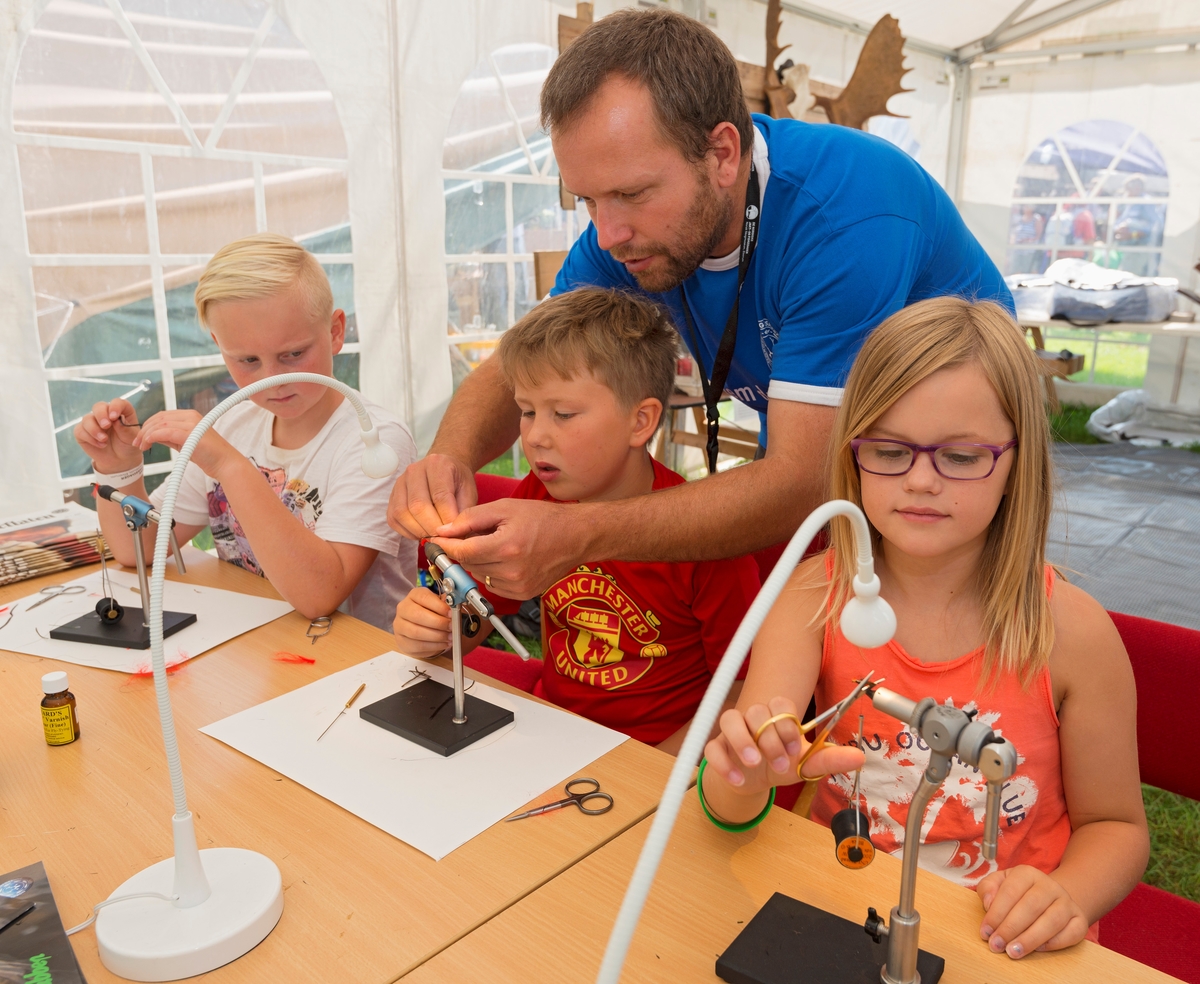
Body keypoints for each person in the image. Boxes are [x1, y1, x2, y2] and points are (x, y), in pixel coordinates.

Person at [390, 8, 1012, 602]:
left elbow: (800, 482)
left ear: (721, 154)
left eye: (631, 194)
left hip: (954, 482)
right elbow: (519, 366)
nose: (606, 234)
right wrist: (448, 458)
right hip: (827, 460)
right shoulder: (625, 232)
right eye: (586, 201)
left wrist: (580, 535)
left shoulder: (847, 217)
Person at [699, 297, 1147, 958]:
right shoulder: (813, 595)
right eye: (888, 450)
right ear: (852, 454)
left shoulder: (1071, 634)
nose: (920, 481)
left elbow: (1117, 826)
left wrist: (1068, 895)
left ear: (1018, 462)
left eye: (962, 458)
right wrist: (739, 774)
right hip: (843, 913)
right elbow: (734, 803)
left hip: (998, 938)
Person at [391, 288, 760, 752]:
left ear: (640, 422)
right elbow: (479, 616)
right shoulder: (537, 495)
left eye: (563, 414)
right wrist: (435, 630)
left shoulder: (705, 538)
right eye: (526, 411)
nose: (536, 436)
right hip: (552, 731)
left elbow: (742, 689)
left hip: (653, 752)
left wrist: (660, 774)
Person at [73, 233, 417, 632]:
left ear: (336, 331)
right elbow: (143, 549)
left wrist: (230, 466)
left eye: (293, 354)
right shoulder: (233, 424)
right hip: (264, 643)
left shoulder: (374, 442)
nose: (271, 381)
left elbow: (320, 596)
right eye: (248, 360)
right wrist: (118, 470)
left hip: (361, 660)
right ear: (220, 346)